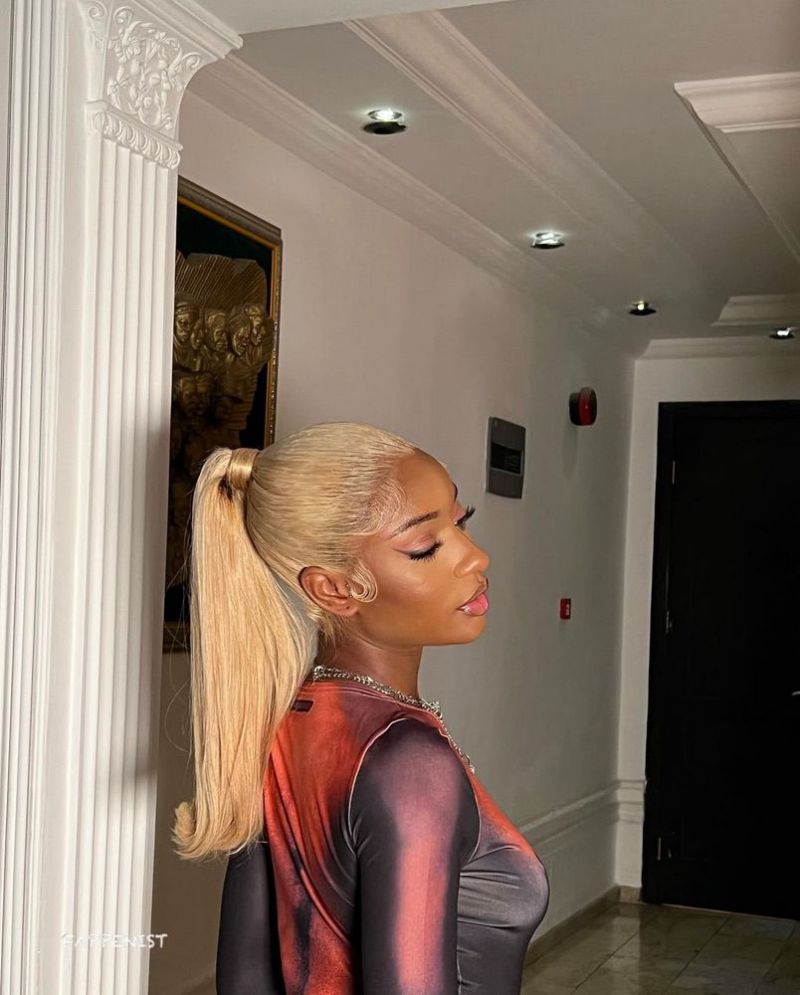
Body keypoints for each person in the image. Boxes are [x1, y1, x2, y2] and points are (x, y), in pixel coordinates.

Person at [173, 421, 550, 994]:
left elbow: (245, 977)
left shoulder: (282, 722)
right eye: (426, 548)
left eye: (462, 520)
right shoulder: (410, 764)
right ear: (334, 589)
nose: (476, 557)